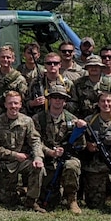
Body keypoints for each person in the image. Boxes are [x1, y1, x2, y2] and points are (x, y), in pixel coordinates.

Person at [0, 92, 50, 211]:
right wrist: (14, 155)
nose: (13, 106)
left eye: (16, 103)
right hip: (4, 163)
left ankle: (31, 201)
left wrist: (38, 157)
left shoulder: (27, 121)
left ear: (20, 105)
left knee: (38, 168)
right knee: (6, 200)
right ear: (5, 105)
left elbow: (35, 141)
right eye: (10, 103)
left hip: (23, 162)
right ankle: (17, 191)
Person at [31, 85, 85, 214]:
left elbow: (81, 145)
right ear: (49, 99)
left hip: (65, 157)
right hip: (46, 157)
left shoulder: (71, 119)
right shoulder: (38, 119)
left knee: (73, 165)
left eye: (61, 98)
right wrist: (50, 152)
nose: (58, 100)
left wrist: (66, 151)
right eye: (54, 97)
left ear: (65, 101)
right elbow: (35, 142)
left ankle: (72, 199)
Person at [25, 52, 74, 117]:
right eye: (49, 63)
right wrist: (33, 103)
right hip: (39, 119)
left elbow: (75, 105)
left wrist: (62, 103)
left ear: (60, 64)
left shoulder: (67, 83)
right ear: (45, 65)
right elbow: (25, 103)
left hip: (61, 119)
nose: (52, 65)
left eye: (55, 63)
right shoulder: (35, 82)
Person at [0, 45, 28, 119]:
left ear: (13, 59)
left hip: (14, 115)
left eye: (8, 57)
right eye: (3, 57)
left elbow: (23, 101)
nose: (5, 59)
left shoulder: (19, 79)